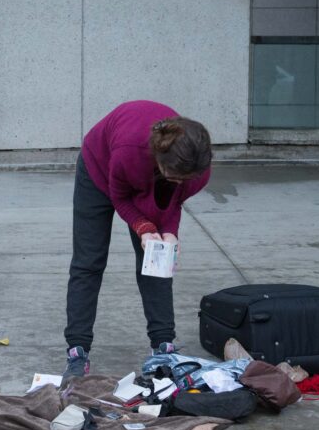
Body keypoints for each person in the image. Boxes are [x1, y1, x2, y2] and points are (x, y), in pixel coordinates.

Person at [63, 100, 212, 378]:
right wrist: (143, 226)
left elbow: (173, 201)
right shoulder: (130, 154)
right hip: (99, 168)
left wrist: (169, 234)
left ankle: (163, 345)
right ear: (159, 160)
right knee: (89, 261)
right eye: (175, 177)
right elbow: (120, 196)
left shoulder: (195, 170)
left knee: (157, 257)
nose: (181, 183)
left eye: (185, 179)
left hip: (150, 167)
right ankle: (77, 350)